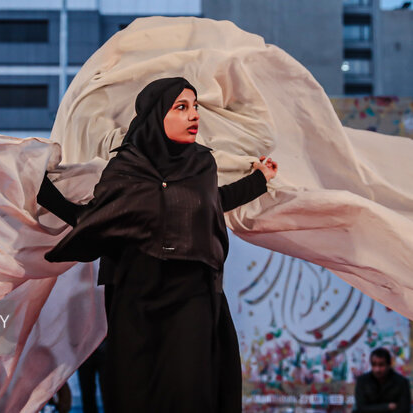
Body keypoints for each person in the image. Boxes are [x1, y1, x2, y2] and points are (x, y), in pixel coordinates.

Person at [36, 77, 277, 412]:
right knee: (137, 392)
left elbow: (212, 201)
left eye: (195, 107)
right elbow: (91, 219)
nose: (194, 115)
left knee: (191, 390)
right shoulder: (125, 169)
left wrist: (259, 180)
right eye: (182, 107)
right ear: (155, 114)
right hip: (135, 299)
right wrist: (40, 189)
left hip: (193, 293)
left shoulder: (202, 165)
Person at [354, 348, 411, 413]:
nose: (377, 369)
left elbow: (404, 409)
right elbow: (361, 408)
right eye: (374, 365)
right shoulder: (362, 381)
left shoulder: (401, 382)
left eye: (381, 365)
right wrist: (387, 406)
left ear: (389, 365)